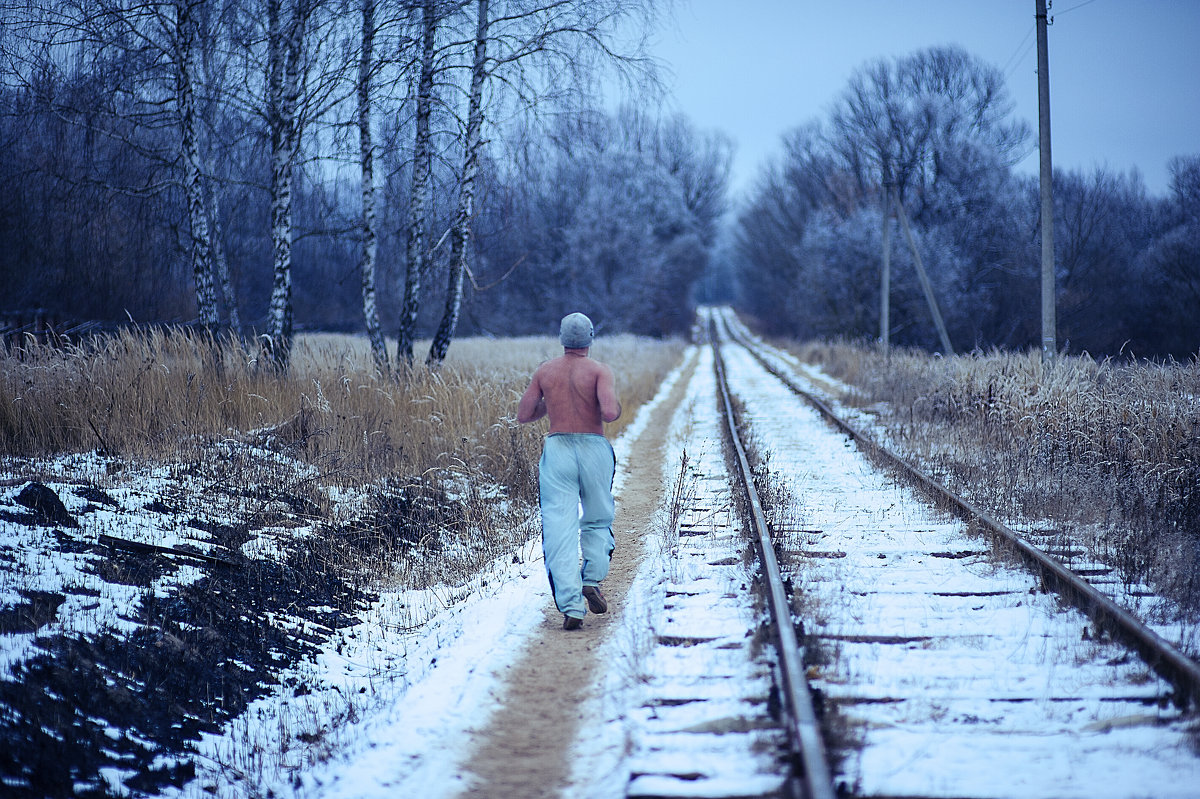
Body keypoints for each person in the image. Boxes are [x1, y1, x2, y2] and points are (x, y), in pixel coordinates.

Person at [517, 312, 622, 630]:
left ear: (562, 339)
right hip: (593, 448)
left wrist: (554, 401)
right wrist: (606, 403)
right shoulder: (599, 371)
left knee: (559, 528)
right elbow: (609, 412)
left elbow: (524, 414)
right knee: (598, 517)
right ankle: (591, 578)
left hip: (558, 450)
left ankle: (571, 606)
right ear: (590, 338)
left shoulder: (545, 371)